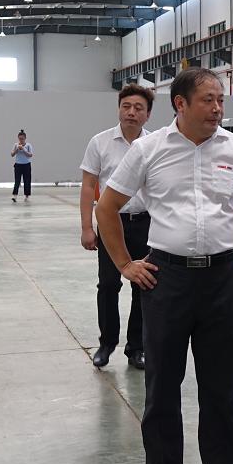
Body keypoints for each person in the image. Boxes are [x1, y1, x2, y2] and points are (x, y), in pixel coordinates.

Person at [97, 68, 233, 464]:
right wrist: (125, 264)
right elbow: (106, 207)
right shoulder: (149, 149)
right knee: (162, 382)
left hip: (221, 278)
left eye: (220, 100)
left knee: (220, 382)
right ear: (181, 104)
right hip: (166, 278)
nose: (217, 109)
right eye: (208, 100)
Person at [80, 84, 154, 370]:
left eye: (138, 108)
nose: (131, 112)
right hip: (112, 222)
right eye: (126, 106)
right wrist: (87, 227)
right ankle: (107, 343)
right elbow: (89, 186)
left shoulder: (155, 144)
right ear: (119, 109)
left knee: (143, 286)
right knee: (108, 284)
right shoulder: (100, 142)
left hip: (147, 224)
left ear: (147, 114)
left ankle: (137, 348)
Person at [11, 131, 33, 201]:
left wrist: (23, 149)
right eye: (20, 138)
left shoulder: (28, 145)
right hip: (18, 165)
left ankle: (27, 196)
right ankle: (15, 195)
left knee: (27, 181)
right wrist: (17, 149)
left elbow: (30, 155)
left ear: (25, 138)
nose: (21, 140)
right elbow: (12, 154)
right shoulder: (16, 145)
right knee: (17, 180)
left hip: (26, 165)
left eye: (22, 139)